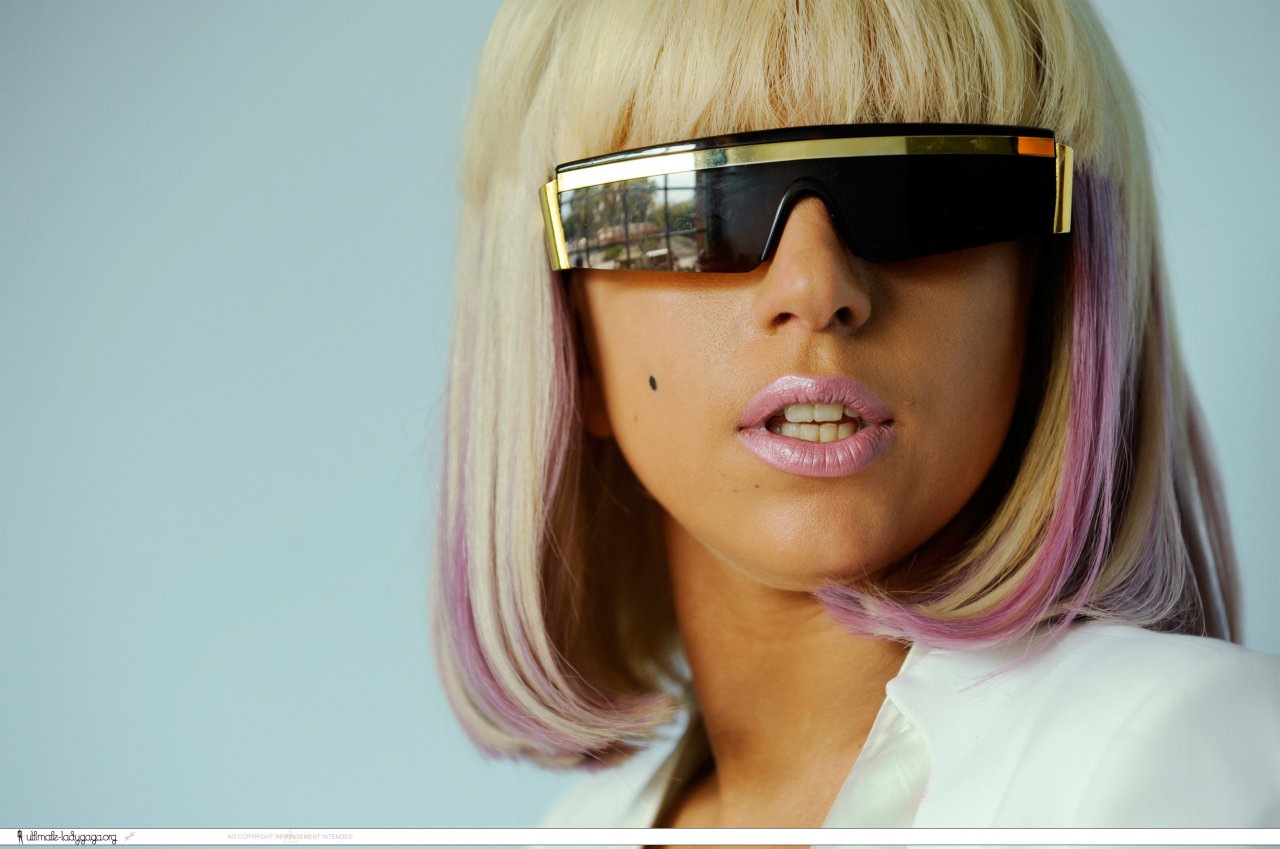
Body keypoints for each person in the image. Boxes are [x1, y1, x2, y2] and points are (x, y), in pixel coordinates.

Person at [432, 0, 1280, 831]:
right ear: (569, 333)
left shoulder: (1183, 753)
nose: (816, 287)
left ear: (1048, 293)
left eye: (922, 190)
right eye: (700, 204)